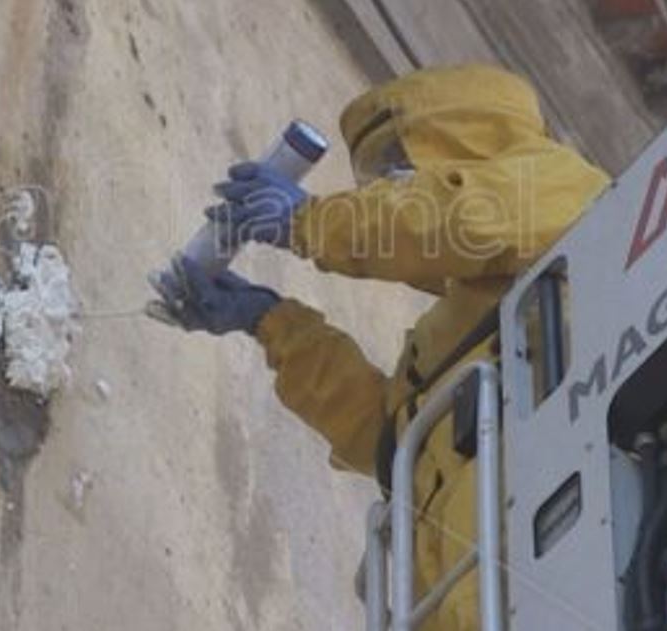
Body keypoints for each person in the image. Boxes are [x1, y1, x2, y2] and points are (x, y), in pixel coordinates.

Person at [153, 64, 609, 630]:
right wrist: (270, 321)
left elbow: (463, 219)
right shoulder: (479, 327)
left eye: (398, 161)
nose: (389, 184)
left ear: (464, 141)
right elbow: (390, 443)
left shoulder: (571, 192)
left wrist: (310, 221)